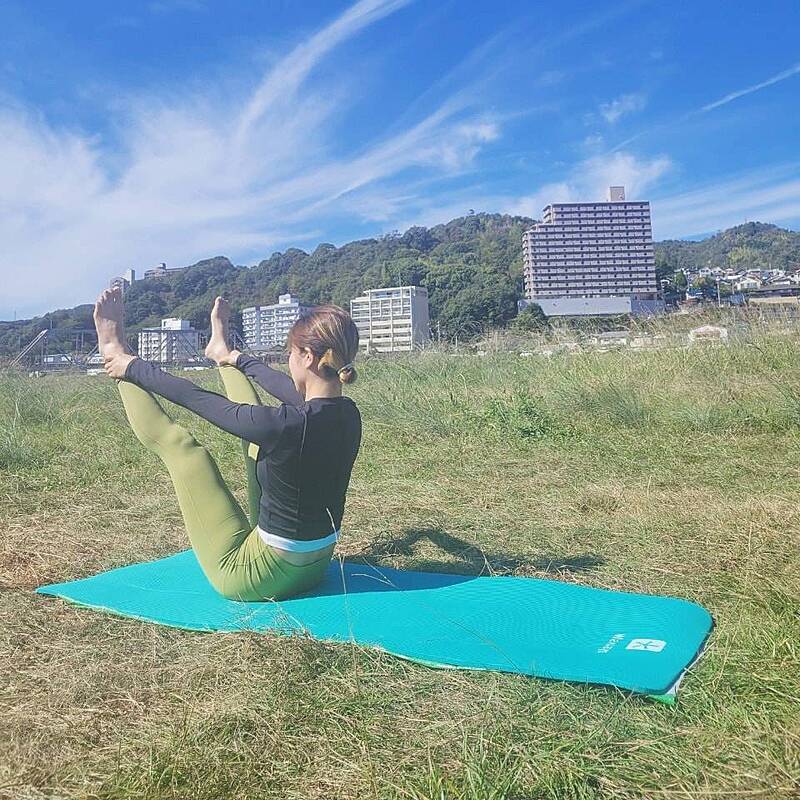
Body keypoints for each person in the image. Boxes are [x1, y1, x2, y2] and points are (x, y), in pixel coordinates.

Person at [93, 286, 361, 601]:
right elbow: (283, 386)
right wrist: (233, 356)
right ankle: (219, 351)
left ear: (307, 357)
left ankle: (113, 351)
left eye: (290, 353)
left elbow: (195, 398)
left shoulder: (284, 425)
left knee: (184, 451)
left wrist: (132, 365)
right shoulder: (349, 414)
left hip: (255, 578)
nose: (288, 361)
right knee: (258, 446)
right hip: (316, 567)